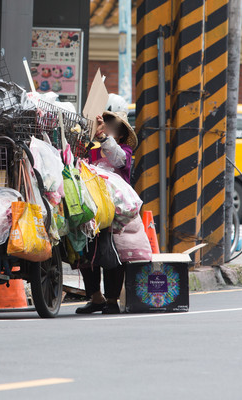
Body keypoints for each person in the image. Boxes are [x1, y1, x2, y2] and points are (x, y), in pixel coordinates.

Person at [75, 98, 138, 315]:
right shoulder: (88, 148)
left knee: (112, 255)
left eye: (110, 126)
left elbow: (119, 160)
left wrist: (103, 138)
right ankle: (96, 298)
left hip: (113, 213)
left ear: (120, 134)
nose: (105, 128)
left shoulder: (123, 151)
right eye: (103, 124)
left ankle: (112, 299)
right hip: (91, 209)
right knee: (85, 253)